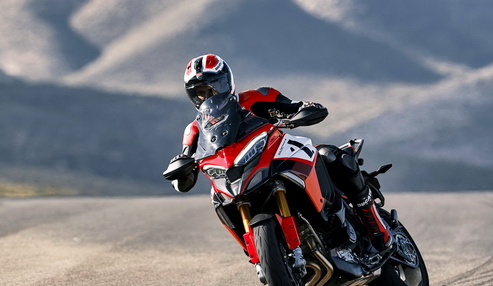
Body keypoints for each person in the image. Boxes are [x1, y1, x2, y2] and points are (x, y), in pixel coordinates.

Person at [167, 54, 392, 253]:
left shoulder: (255, 97)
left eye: (213, 87)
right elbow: (185, 171)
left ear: (228, 83)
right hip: (233, 177)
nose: (208, 96)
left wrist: (301, 112)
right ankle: (266, 255)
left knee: (332, 156)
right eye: (200, 93)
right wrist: (183, 170)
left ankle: (374, 225)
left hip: (273, 156)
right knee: (218, 199)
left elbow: (296, 106)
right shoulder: (194, 130)